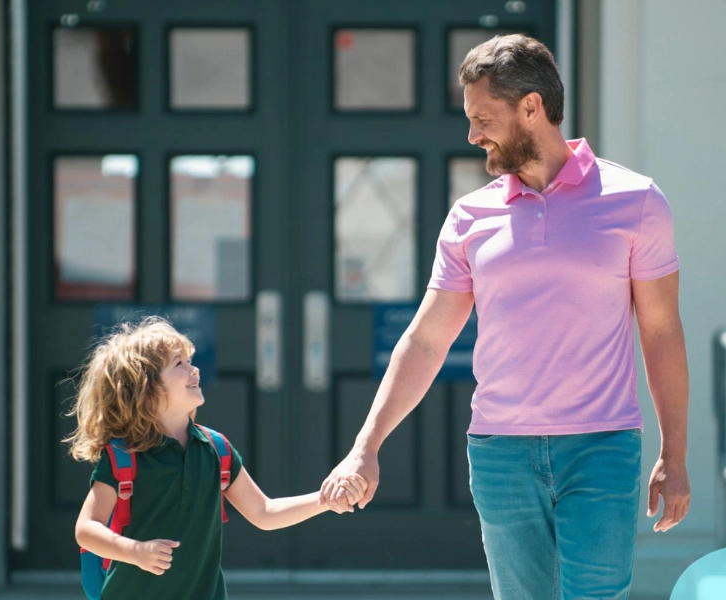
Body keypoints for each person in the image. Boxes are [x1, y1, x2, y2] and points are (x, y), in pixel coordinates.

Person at [320, 33, 691, 599]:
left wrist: (675, 452)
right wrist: (365, 447)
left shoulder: (635, 201)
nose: (473, 135)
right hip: (500, 453)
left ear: (531, 107)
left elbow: (661, 331)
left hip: (601, 446)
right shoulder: (470, 216)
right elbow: (426, 340)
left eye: (482, 117)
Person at [68, 317, 367, 600]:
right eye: (179, 364)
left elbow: (264, 512)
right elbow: (86, 530)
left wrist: (325, 500)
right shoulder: (123, 457)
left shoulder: (215, 448)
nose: (194, 370)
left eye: (190, 361)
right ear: (146, 390)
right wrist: (134, 551)